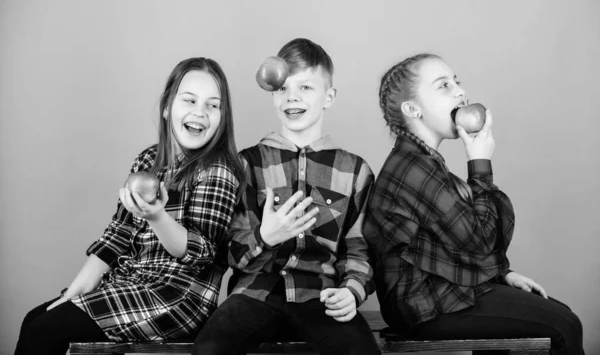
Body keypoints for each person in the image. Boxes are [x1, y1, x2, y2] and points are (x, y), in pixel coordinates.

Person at [14, 57, 244, 355]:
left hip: (177, 297)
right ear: (166, 107)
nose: (199, 112)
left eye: (213, 105)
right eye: (189, 100)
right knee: (37, 319)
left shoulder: (218, 170)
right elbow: (117, 236)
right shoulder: (148, 161)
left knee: (46, 332)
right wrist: (71, 295)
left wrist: (157, 216)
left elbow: (200, 251)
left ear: (223, 117)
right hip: (131, 282)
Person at [364, 53, 584, 355]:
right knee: (564, 326)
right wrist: (480, 162)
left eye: (457, 82)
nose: (459, 91)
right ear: (412, 109)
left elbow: (457, 244)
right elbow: (478, 243)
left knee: (559, 312)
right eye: (443, 86)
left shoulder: (425, 163)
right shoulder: (413, 169)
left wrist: (503, 275)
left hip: (443, 290)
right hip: (424, 305)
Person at [192, 38, 381, 355]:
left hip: (320, 294)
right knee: (209, 349)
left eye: (306, 88)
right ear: (272, 93)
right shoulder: (248, 164)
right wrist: (264, 235)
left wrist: (352, 291)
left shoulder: (355, 171)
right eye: (282, 89)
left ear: (329, 96)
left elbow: (359, 249)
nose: (292, 97)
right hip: (254, 291)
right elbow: (228, 251)